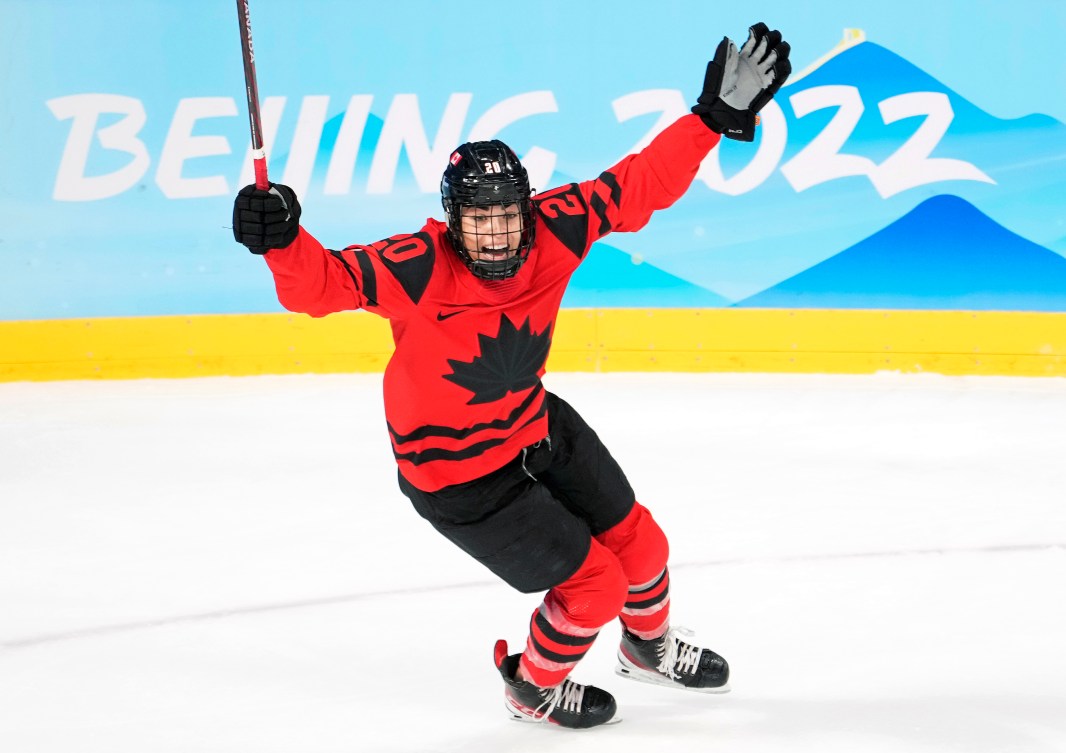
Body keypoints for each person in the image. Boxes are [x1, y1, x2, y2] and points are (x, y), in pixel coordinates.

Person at [232, 23, 790, 729]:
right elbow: (321, 287)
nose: (496, 234)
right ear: (451, 222)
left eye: (506, 217)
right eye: (479, 220)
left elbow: (639, 185)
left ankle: (648, 646)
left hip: (533, 425)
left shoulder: (556, 227)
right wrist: (283, 241)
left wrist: (711, 120)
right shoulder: (418, 264)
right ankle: (532, 688)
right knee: (594, 587)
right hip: (458, 477)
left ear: (527, 210)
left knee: (644, 547)